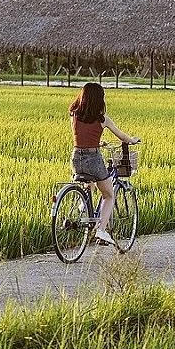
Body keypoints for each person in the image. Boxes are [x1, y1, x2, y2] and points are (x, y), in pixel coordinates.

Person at [69, 83, 139, 245]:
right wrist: (132, 140)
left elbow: (80, 136)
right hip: (93, 159)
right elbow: (123, 137)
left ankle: (83, 204)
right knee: (108, 194)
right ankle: (100, 230)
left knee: (89, 180)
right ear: (100, 100)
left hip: (76, 157)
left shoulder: (74, 115)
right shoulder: (103, 120)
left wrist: (97, 142)